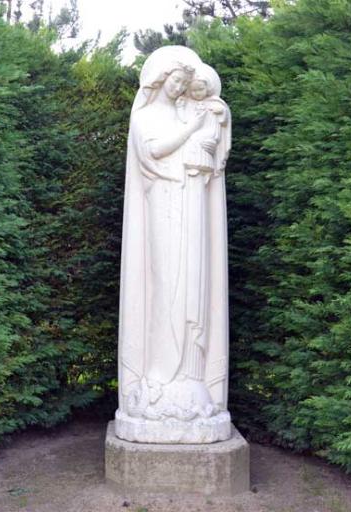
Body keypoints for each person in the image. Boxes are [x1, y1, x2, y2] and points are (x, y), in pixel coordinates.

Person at [117, 47, 231, 435]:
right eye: (175, 81)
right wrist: (191, 131)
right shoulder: (145, 116)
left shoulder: (188, 111)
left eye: (184, 82)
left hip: (192, 202)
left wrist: (206, 125)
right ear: (160, 80)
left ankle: (189, 377)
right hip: (164, 204)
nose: (180, 87)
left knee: (195, 287)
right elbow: (154, 150)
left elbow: (214, 139)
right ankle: (159, 375)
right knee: (167, 286)